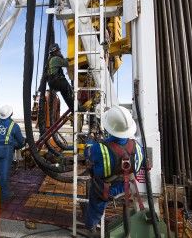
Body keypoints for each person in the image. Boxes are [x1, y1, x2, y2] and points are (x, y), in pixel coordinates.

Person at [82, 105, 144, 234]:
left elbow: (87, 153)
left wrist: (90, 141)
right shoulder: (137, 146)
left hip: (107, 190)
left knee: (95, 201)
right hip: (129, 188)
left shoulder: (100, 148)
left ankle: (91, 224)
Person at [0, 105, 25, 201]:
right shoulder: (14, 126)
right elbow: (21, 142)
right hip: (6, 151)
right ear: (11, 114)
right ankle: (4, 195)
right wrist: (16, 144)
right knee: (3, 174)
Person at [46, 43, 74, 111]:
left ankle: (72, 108)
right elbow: (66, 64)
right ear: (56, 51)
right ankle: (75, 107)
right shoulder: (56, 58)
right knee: (69, 90)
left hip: (52, 83)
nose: (60, 52)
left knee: (64, 93)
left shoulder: (50, 60)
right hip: (57, 80)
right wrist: (66, 59)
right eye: (59, 50)